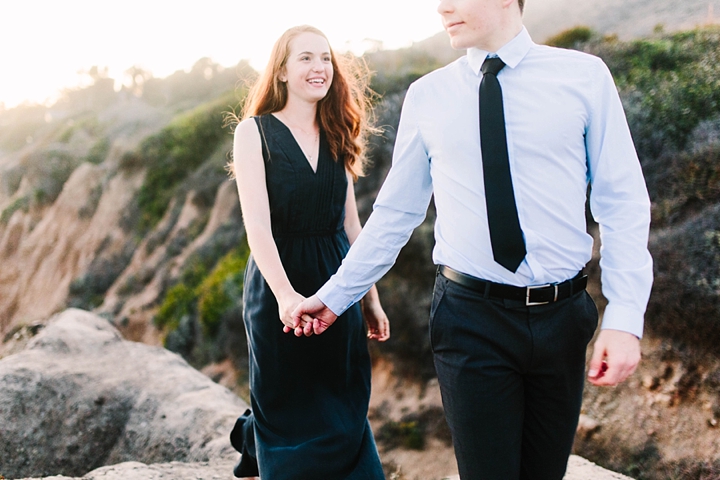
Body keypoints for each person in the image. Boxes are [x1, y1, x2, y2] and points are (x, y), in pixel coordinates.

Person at [292, 0, 653, 479]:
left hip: (563, 319)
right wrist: (336, 297)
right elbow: (397, 214)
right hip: (470, 318)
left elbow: (622, 200)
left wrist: (625, 317)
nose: (441, 7)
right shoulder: (428, 96)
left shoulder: (584, 76)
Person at [228, 25, 389, 480]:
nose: (319, 68)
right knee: (288, 398)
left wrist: (370, 299)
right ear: (280, 71)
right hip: (278, 281)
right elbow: (257, 227)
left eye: (325, 58)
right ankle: (262, 442)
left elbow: (351, 225)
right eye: (305, 58)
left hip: (338, 282)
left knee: (342, 397)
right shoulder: (252, 133)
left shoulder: (338, 130)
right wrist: (284, 296)